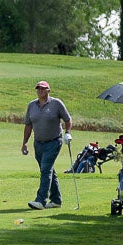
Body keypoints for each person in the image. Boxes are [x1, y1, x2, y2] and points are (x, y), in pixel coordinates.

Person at [21, 80, 72, 210]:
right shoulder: (32, 105)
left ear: (48, 91)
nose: (40, 91)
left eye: (43, 89)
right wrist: (25, 143)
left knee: (45, 170)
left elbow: (67, 119)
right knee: (48, 171)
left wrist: (68, 133)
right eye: (38, 89)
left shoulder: (56, 103)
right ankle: (56, 200)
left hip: (54, 141)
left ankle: (41, 200)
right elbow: (28, 125)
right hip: (38, 143)